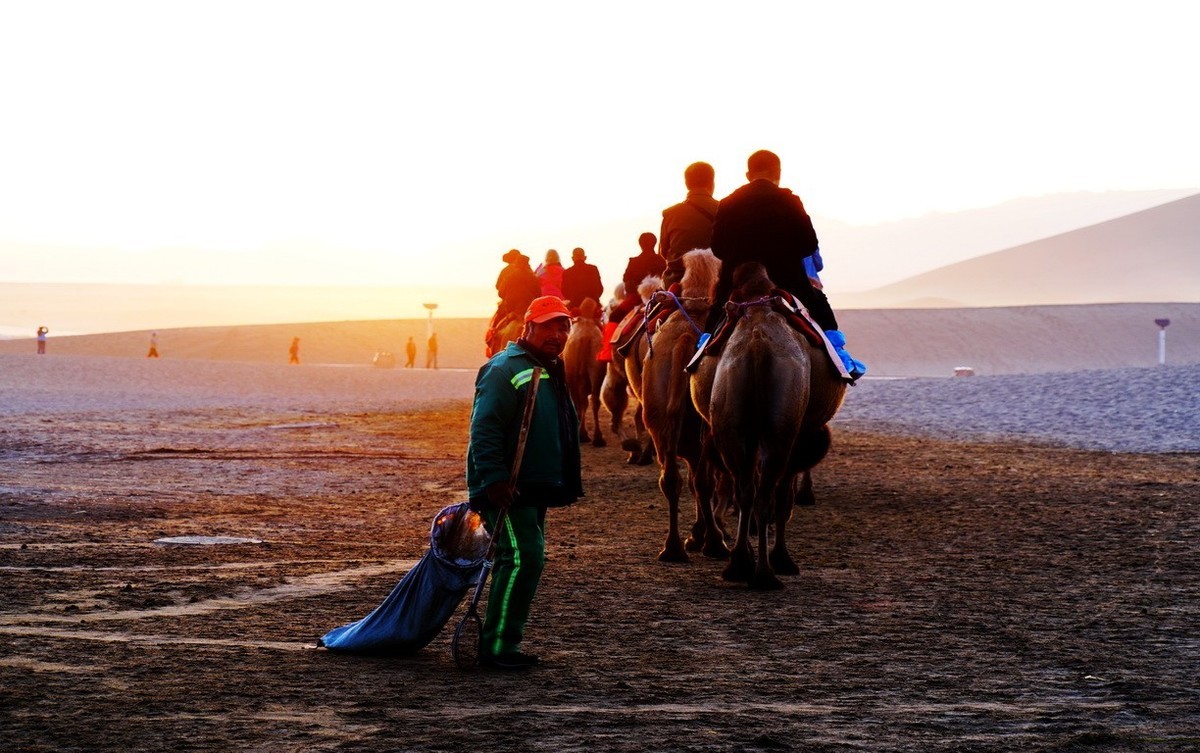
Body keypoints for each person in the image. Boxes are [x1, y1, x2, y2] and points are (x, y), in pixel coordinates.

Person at [466, 295, 583, 669]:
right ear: (528, 326)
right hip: (507, 487)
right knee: (521, 557)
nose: (557, 333)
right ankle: (498, 649)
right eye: (548, 325)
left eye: (563, 326)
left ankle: (504, 644)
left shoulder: (549, 366)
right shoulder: (504, 368)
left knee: (522, 558)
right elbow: (484, 430)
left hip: (533, 484)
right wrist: (495, 480)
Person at [705, 150, 865, 379]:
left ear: (748, 174)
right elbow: (809, 244)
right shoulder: (790, 200)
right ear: (777, 173)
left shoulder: (728, 202)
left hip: (737, 282)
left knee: (715, 316)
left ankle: (700, 353)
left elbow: (718, 248)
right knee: (819, 303)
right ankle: (840, 358)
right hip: (787, 280)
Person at [659, 161, 718, 287]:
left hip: (678, 280)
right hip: (716, 279)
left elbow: (664, 252)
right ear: (712, 182)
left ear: (686, 184)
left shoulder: (671, 214)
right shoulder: (724, 210)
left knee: (654, 305)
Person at [606, 231, 665, 327]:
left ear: (640, 244)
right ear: (654, 243)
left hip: (636, 299)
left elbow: (626, 280)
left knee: (614, 317)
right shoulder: (662, 261)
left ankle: (609, 341)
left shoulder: (634, 261)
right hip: (660, 297)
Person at [560, 247, 604, 311]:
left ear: (572, 258)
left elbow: (564, 291)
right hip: (593, 306)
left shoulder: (567, 272)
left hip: (574, 307)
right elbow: (600, 288)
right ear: (585, 257)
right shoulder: (593, 269)